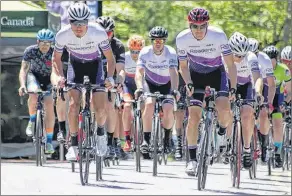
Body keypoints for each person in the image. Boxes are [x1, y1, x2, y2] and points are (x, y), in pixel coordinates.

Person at [51, 2, 116, 161]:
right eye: (75, 23)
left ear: (88, 22)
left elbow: (110, 58)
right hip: (75, 65)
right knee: (73, 105)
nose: (79, 27)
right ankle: (73, 145)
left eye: (83, 23)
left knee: (100, 109)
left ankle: (100, 134)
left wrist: (109, 77)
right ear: (69, 21)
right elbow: (56, 59)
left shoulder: (98, 32)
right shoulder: (62, 34)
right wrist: (59, 76)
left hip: (96, 66)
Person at [176, 8, 237, 176]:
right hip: (195, 75)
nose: (199, 30)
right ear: (189, 26)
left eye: (202, 26)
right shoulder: (182, 39)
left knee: (224, 109)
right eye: (194, 26)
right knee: (193, 117)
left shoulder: (218, 36)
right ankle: (193, 160)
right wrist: (188, 83)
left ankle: (222, 131)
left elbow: (230, 65)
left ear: (207, 25)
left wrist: (233, 87)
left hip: (217, 74)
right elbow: (182, 67)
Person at [135, 26, 180, 159]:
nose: (158, 43)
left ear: (165, 41)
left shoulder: (171, 52)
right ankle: (146, 140)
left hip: (166, 84)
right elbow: (139, 72)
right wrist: (139, 87)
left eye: (161, 40)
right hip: (150, 83)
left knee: (168, 108)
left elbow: (173, 72)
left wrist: (175, 89)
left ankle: (167, 138)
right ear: (152, 41)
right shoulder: (145, 52)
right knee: (149, 104)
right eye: (155, 40)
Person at [225, 32, 262, 168]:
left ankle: (246, 149)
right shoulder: (224, 56)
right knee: (225, 109)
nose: (240, 58)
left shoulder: (251, 57)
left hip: (246, 85)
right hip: (229, 83)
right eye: (237, 55)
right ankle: (227, 142)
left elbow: (257, 77)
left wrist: (258, 92)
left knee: (247, 115)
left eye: (242, 56)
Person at [18, 29, 56, 154]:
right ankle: (32, 120)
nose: (45, 45)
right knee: (33, 93)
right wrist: (22, 85)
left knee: (49, 104)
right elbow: (24, 69)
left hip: (50, 78)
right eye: (42, 42)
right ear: (38, 42)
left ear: (51, 43)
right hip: (34, 76)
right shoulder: (30, 50)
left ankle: (49, 141)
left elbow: (58, 70)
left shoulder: (55, 52)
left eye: (48, 43)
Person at [95, 16, 126, 159]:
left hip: (110, 78)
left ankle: (110, 141)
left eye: (109, 33)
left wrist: (118, 81)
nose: (106, 36)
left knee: (109, 105)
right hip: (94, 76)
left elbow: (120, 69)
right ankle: (87, 134)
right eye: (102, 33)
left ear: (113, 33)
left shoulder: (117, 45)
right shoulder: (91, 42)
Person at [248, 37, 276, 163]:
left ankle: (264, 144)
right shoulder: (241, 57)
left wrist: (269, 103)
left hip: (262, 83)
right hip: (247, 82)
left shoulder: (265, 59)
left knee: (264, 114)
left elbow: (271, 84)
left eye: (255, 53)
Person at [263, 45, 291, 167]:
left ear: (276, 59)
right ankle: (262, 143)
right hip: (264, 93)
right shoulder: (260, 67)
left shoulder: (284, 70)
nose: (269, 63)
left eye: (271, 60)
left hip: (277, 96)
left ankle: (278, 152)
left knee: (278, 122)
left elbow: (289, 91)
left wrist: (285, 102)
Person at [122, 35, 145, 152]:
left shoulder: (146, 57)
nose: (135, 54)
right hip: (128, 85)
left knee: (146, 107)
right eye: (132, 51)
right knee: (126, 106)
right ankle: (127, 138)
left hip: (142, 84)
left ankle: (147, 135)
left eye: (138, 52)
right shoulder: (125, 57)